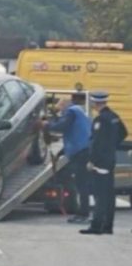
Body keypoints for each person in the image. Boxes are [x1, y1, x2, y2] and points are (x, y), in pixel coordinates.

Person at [80, 91, 127, 235]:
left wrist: (92, 161)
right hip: (110, 160)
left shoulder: (100, 120)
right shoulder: (114, 117)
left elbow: (97, 143)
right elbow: (123, 133)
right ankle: (107, 226)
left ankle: (96, 226)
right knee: (109, 194)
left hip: (100, 162)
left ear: (95, 103)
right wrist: (112, 147)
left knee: (100, 195)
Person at [41, 93, 92, 223]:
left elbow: (62, 126)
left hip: (81, 152)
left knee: (81, 184)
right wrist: (61, 153)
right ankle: (82, 213)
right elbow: (75, 132)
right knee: (81, 184)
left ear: (63, 104)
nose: (60, 111)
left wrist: (46, 125)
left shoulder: (71, 111)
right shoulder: (79, 111)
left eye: (60, 107)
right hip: (83, 150)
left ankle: (83, 214)